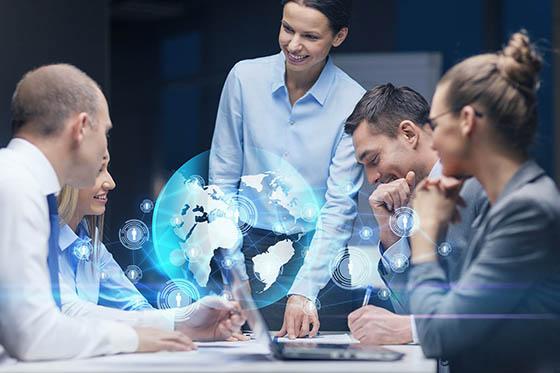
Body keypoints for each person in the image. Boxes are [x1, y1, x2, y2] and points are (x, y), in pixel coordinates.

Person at [0, 64, 195, 362]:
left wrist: (180, 322)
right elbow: (34, 333)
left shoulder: (19, 181)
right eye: (105, 132)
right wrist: (133, 339)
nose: (105, 147)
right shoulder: (15, 184)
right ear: (80, 128)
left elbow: (59, 308)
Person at [209, 0, 365, 337]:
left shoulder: (353, 101)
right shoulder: (244, 79)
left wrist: (305, 289)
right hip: (243, 248)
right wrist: (234, 271)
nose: (293, 45)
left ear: (338, 37)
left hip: (319, 253)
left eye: (310, 36)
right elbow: (222, 182)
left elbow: (340, 206)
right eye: (287, 28)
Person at [408, 31, 560, 371]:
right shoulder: (506, 204)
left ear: (466, 121)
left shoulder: (528, 211)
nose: (432, 145)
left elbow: (438, 335)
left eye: (435, 124)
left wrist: (425, 235)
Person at [342, 84, 487, 345]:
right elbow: (412, 310)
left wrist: (411, 330)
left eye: (373, 159)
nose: (371, 178)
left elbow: (511, 304)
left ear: (409, 133)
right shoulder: (411, 207)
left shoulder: (482, 185)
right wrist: (389, 233)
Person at [56, 150, 247, 342]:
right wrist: (184, 324)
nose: (111, 183)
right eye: (98, 171)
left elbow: (135, 307)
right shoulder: (39, 241)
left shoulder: (91, 249)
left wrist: (189, 324)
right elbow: (68, 313)